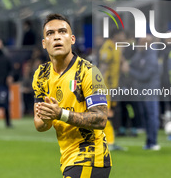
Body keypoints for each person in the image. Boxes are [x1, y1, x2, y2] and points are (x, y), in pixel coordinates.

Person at [33, 14, 111, 178]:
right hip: (68, 159)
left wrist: (60, 114)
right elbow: (40, 124)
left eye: (62, 32)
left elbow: (101, 118)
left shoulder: (88, 72)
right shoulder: (41, 75)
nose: (57, 37)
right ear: (44, 43)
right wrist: (47, 118)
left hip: (90, 157)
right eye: (50, 33)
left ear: (72, 39)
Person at [129, 35, 161, 150]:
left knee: (152, 115)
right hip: (142, 90)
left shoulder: (151, 56)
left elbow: (145, 75)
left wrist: (129, 70)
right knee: (146, 116)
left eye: (143, 42)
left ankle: (153, 141)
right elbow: (132, 64)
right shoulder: (140, 54)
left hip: (150, 90)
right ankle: (149, 141)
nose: (140, 44)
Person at [99, 30, 126, 151]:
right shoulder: (107, 47)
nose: (124, 37)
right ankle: (108, 142)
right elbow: (103, 65)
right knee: (107, 114)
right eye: (122, 35)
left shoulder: (116, 48)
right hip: (106, 87)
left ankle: (109, 141)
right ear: (115, 35)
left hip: (113, 86)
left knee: (112, 113)